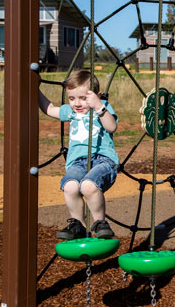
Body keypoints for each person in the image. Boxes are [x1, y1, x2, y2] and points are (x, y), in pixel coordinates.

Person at [38, 70, 119, 240]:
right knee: (70, 187)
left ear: (95, 96)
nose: (77, 103)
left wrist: (98, 106)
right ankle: (78, 224)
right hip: (77, 162)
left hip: (103, 161)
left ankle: (100, 222)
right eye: (72, 98)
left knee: (88, 186)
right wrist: (35, 89)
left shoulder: (102, 107)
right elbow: (50, 109)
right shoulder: (71, 112)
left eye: (83, 98)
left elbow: (111, 127)